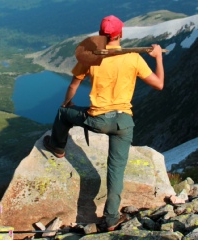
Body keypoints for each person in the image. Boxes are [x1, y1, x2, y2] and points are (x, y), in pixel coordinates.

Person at [43, 15, 164, 231]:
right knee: (116, 171)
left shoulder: (90, 57)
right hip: (124, 123)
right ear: (120, 34)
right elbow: (159, 85)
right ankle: (110, 219)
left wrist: (67, 103)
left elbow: (73, 86)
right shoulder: (134, 58)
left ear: (101, 35)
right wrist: (158, 57)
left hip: (97, 119)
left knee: (63, 115)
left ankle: (58, 148)